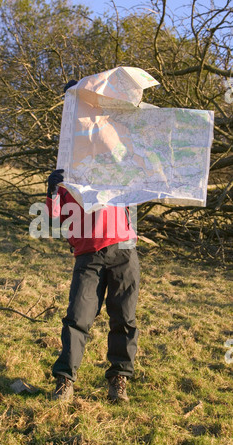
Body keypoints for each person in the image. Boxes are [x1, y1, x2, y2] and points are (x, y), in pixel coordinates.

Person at [46, 80, 140, 403]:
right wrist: (51, 190)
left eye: (82, 103)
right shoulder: (66, 157)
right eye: (72, 104)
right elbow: (57, 217)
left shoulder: (110, 139)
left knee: (124, 317)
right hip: (87, 252)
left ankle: (118, 381)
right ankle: (65, 382)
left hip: (123, 247)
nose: (79, 111)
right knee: (77, 318)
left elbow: (133, 168)